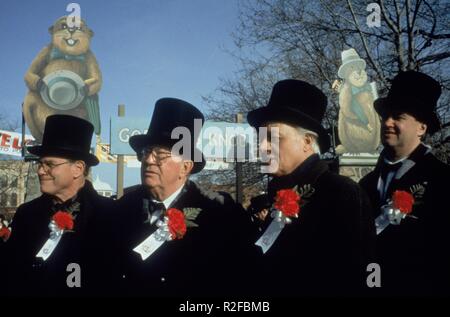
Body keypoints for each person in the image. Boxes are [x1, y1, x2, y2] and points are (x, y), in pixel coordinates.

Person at [247, 79, 376, 296]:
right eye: (260, 138)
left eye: (272, 138)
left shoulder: (340, 194)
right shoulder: (278, 195)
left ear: (307, 142)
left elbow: (359, 278)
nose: (262, 147)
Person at [114, 98, 254, 296]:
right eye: (145, 152)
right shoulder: (121, 210)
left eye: (160, 155)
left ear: (185, 167)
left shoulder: (221, 213)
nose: (148, 160)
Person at [359, 71, 450, 296]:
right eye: (385, 116)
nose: (387, 122)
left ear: (422, 127)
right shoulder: (365, 183)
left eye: (398, 116)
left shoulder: (443, 180)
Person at [3, 115, 114, 296]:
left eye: (49, 164)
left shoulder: (109, 214)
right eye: (40, 163)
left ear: (78, 169)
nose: (40, 170)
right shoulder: (27, 213)